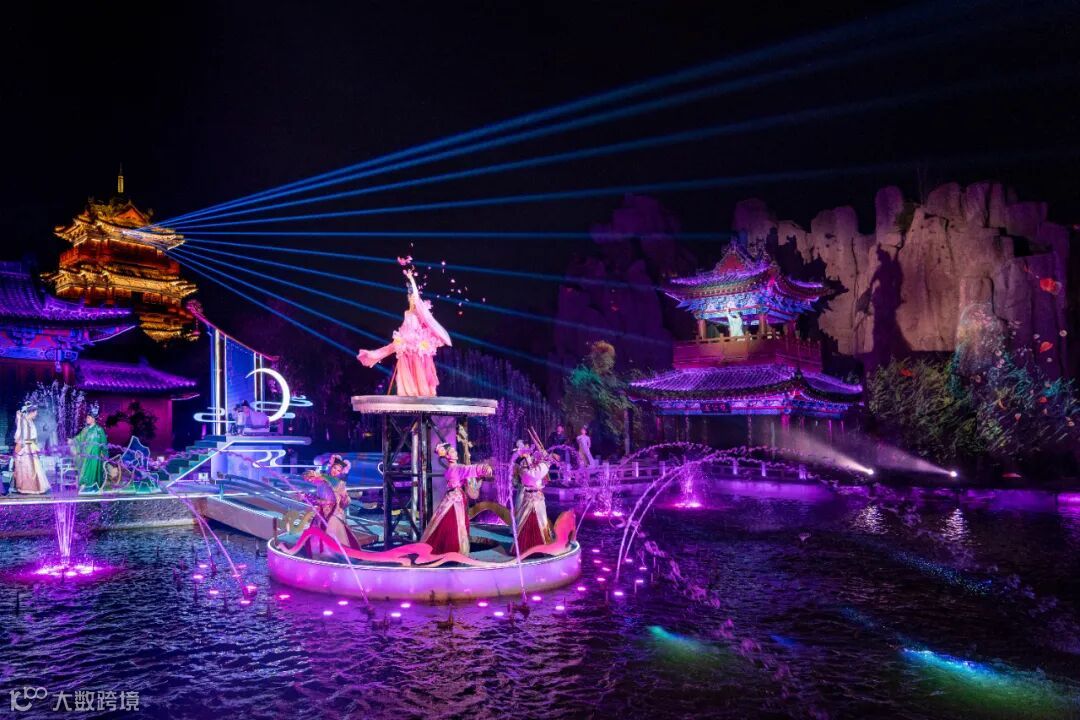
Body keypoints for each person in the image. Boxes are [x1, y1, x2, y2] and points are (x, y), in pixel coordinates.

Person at [356, 266, 452, 396]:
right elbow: (405, 325)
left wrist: (411, 279)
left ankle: (421, 391)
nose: (411, 299)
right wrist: (400, 338)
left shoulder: (419, 312)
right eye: (409, 297)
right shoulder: (407, 312)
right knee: (398, 358)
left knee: (417, 366)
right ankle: (408, 390)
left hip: (416, 342)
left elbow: (416, 296)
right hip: (406, 340)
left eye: (412, 297)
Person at [421, 442, 492, 555]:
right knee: (452, 524)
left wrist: (482, 469)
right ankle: (452, 550)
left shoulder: (453, 469)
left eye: (454, 451)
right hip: (454, 499)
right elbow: (469, 469)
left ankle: (450, 550)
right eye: (452, 451)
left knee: (449, 523)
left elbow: (470, 469)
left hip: (452, 498)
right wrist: (483, 468)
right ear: (447, 455)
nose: (455, 453)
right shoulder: (455, 468)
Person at [13, 403, 49, 494]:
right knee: (27, 467)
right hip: (25, 447)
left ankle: (35, 487)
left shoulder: (30, 421)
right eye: (35, 412)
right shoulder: (23, 421)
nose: (36, 414)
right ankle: (28, 488)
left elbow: (33, 436)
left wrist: (34, 445)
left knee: (34, 467)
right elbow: (20, 435)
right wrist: (21, 447)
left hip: (30, 446)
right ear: (31, 412)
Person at [71, 404, 108, 493]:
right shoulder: (85, 429)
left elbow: (104, 443)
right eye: (87, 417)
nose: (86, 419)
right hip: (86, 455)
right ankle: (84, 486)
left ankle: (95, 487)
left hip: (96, 455)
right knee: (85, 470)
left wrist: (104, 454)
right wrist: (72, 440)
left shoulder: (99, 430)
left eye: (88, 417)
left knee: (95, 471)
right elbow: (79, 438)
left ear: (93, 419)